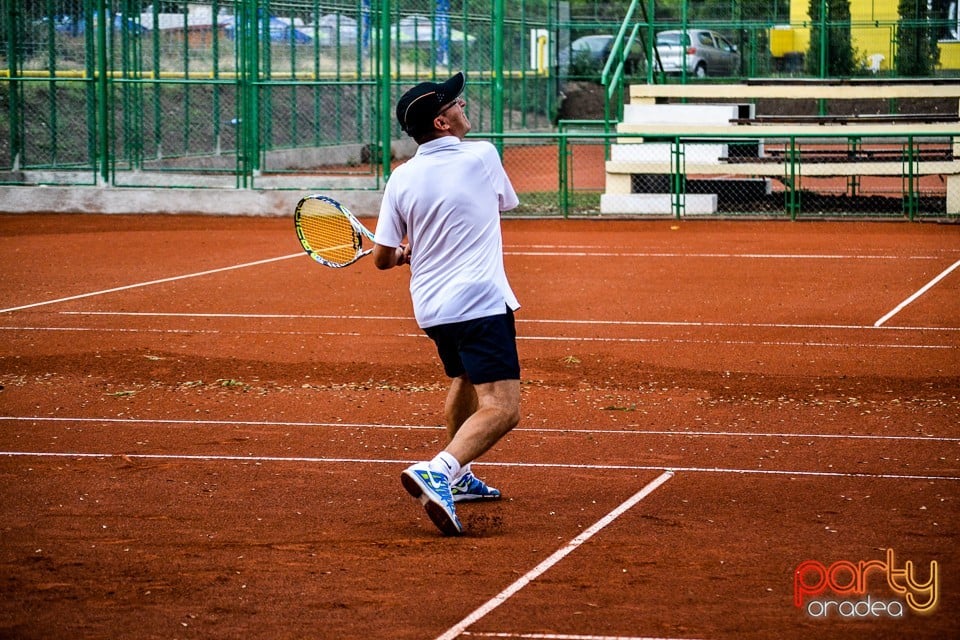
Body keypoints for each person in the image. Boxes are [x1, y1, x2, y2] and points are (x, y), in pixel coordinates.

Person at [372, 71, 521, 536]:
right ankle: (439, 469)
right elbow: (500, 204)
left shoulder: (400, 178)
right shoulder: (482, 155)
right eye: (456, 104)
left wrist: (404, 253)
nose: (464, 106)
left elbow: (382, 258)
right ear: (441, 122)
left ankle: (458, 478)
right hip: (479, 299)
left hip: (434, 310)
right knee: (503, 406)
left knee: (464, 377)